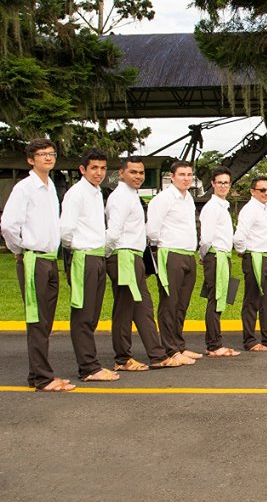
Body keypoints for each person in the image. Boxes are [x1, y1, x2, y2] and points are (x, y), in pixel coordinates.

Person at [1, 138, 74, 391]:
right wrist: (19, 250)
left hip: (49, 259)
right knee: (38, 320)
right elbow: (9, 225)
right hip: (34, 260)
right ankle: (43, 378)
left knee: (46, 321)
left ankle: (37, 374)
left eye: (51, 153)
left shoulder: (50, 185)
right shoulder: (25, 188)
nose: (48, 157)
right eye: (42, 154)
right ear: (31, 159)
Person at [105, 157, 182, 369]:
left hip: (134, 257)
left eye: (140, 172)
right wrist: (109, 254)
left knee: (143, 308)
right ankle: (122, 359)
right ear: (121, 173)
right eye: (133, 172)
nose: (138, 176)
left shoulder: (131, 196)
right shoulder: (120, 197)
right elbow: (113, 232)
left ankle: (157, 356)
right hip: (123, 256)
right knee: (124, 309)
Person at [60, 148, 118, 381]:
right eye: (94, 168)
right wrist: (81, 248)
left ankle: (90, 363)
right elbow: (65, 230)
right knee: (84, 314)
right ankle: (88, 368)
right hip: (84, 257)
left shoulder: (96, 193)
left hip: (97, 256)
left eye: (103, 168)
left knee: (92, 314)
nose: (99, 173)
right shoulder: (77, 193)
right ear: (83, 169)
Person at [147, 160, 200, 362]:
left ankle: (179, 344)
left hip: (188, 254)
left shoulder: (188, 199)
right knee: (169, 302)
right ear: (172, 177)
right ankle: (170, 349)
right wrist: (163, 246)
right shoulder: (163, 199)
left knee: (182, 303)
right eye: (182, 175)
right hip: (170, 254)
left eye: (189, 175)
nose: (186, 178)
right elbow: (152, 229)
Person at [234, 176, 267, 351]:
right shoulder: (250, 210)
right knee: (252, 301)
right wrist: (243, 251)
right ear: (252, 191)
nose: (266, 193)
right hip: (255, 257)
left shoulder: (265, 209)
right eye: (262, 190)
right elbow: (239, 237)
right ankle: (250, 340)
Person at [198, 167, 240, 357]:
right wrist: (204, 256)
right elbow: (205, 238)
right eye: (219, 182)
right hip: (215, 256)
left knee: (220, 298)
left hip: (223, 256)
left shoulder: (223, 206)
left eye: (226, 182)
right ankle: (214, 345)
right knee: (216, 299)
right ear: (213, 184)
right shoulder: (212, 208)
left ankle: (214, 342)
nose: (223, 186)